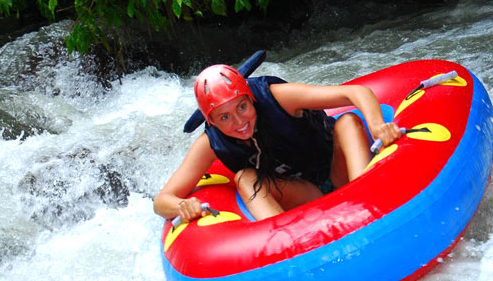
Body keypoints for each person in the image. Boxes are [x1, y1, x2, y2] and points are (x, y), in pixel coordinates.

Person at [153, 64, 401, 222]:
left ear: (250, 98)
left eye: (242, 106)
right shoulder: (209, 143)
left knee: (347, 121)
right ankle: (283, 242)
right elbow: (162, 200)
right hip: (305, 195)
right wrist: (182, 205)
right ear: (212, 121)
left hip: (340, 171)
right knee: (244, 177)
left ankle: (366, 197)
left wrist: (377, 125)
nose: (239, 122)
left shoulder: (277, 97)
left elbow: (356, 92)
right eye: (224, 117)